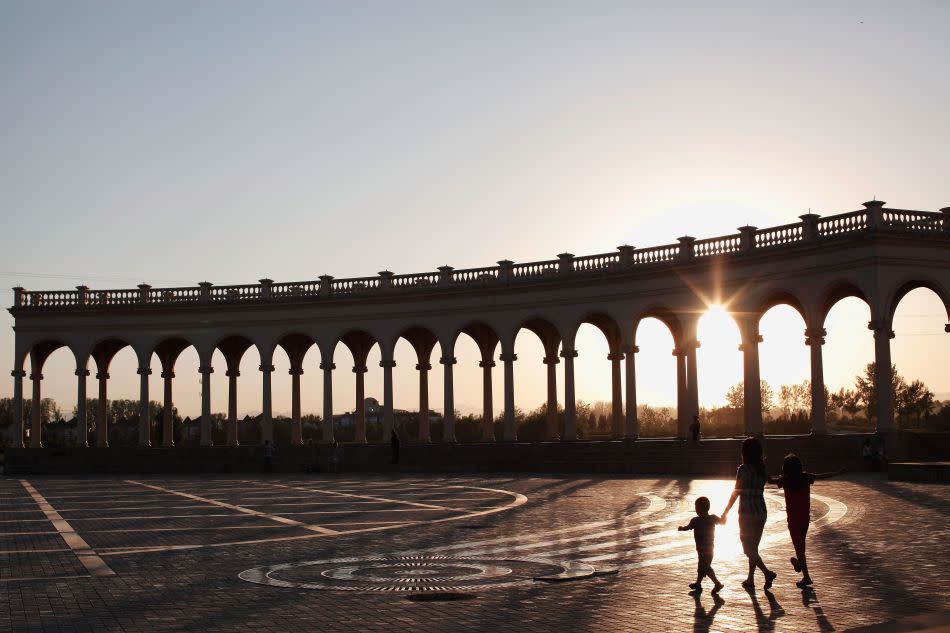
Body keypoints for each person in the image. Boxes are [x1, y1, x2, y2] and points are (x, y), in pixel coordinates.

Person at [773, 453, 845, 588]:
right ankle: (803, 571)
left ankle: (804, 573)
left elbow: (770, 481)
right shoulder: (806, 477)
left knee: (799, 548)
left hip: (793, 519)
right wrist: (838, 472)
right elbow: (823, 475)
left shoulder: (785, 480)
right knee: (801, 548)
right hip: (805, 518)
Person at [722, 436, 777, 591]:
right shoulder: (762, 468)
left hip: (746, 513)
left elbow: (736, 492)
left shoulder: (743, 470)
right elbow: (772, 481)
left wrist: (725, 512)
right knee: (754, 548)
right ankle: (750, 579)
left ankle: (767, 573)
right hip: (761, 511)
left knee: (748, 549)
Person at [678, 496, 725, 593]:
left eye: (696, 508)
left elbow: (688, 527)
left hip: (702, 549)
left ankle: (717, 583)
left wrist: (682, 528)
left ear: (698, 509)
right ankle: (698, 584)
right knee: (702, 566)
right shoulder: (712, 518)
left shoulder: (695, 520)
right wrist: (724, 516)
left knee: (705, 567)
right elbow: (723, 522)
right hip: (709, 549)